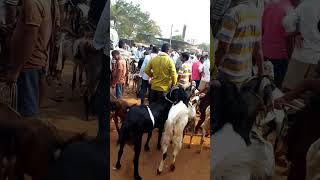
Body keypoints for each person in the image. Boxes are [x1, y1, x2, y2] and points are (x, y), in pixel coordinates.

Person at [4, 0, 59, 118]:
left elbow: (31, 37)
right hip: (33, 63)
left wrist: (15, 71)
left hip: (28, 66)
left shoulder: (32, 2)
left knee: (26, 118)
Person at [215, 0, 264, 87]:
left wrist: (213, 71)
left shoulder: (233, 13)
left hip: (227, 77)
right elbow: (258, 49)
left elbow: (223, 50)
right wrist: (261, 74)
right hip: (245, 76)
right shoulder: (256, 15)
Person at [282, 0, 320, 91]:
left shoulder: (305, 5)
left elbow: (287, 21)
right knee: (310, 95)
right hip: (317, 59)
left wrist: (295, 32)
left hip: (301, 55)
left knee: (289, 90)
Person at [262, 0, 295, 88]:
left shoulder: (269, 5)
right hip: (280, 54)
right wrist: (290, 55)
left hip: (264, 51)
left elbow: (262, 28)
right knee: (276, 87)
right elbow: (288, 37)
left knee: (263, 83)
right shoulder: (289, 9)